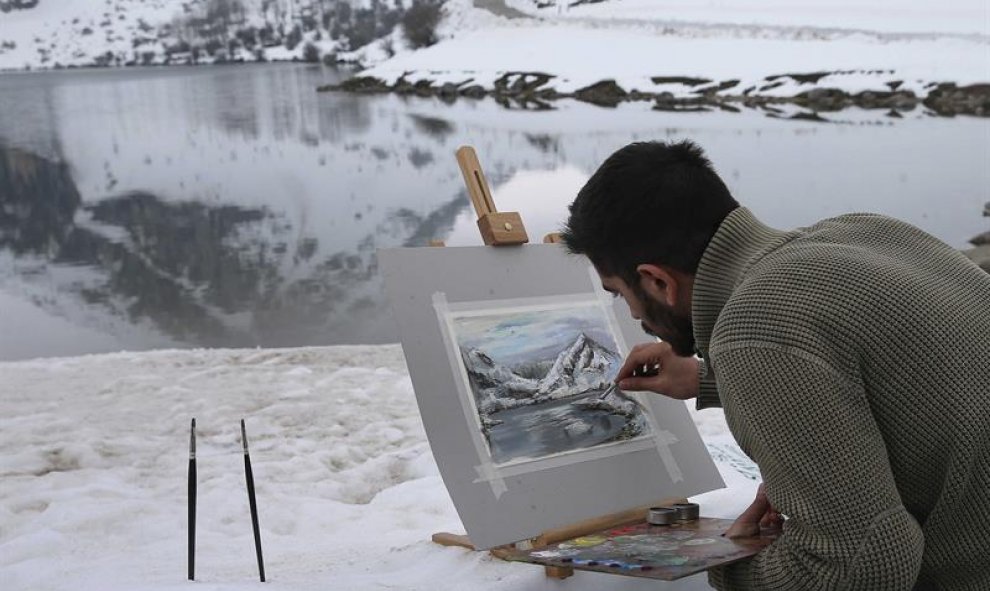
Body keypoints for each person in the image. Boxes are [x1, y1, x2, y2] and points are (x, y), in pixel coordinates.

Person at [560, 140, 990, 591]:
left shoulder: (757, 327)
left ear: (657, 281)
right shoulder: (865, 231)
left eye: (620, 293)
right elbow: (899, 374)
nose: (633, 317)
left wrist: (723, 565)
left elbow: (860, 566)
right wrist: (711, 378)